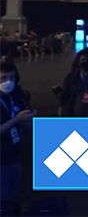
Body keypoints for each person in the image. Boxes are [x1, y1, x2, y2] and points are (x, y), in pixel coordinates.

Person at [1, 58, 34, 216]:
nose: (8, 82)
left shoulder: (16, 97)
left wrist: (29, 121)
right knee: (4, 198)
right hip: (1, 160)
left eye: (12, 77)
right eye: (3, 78)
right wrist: (17, 120)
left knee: (14, 195)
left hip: (15, 155)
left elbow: (24, 123)